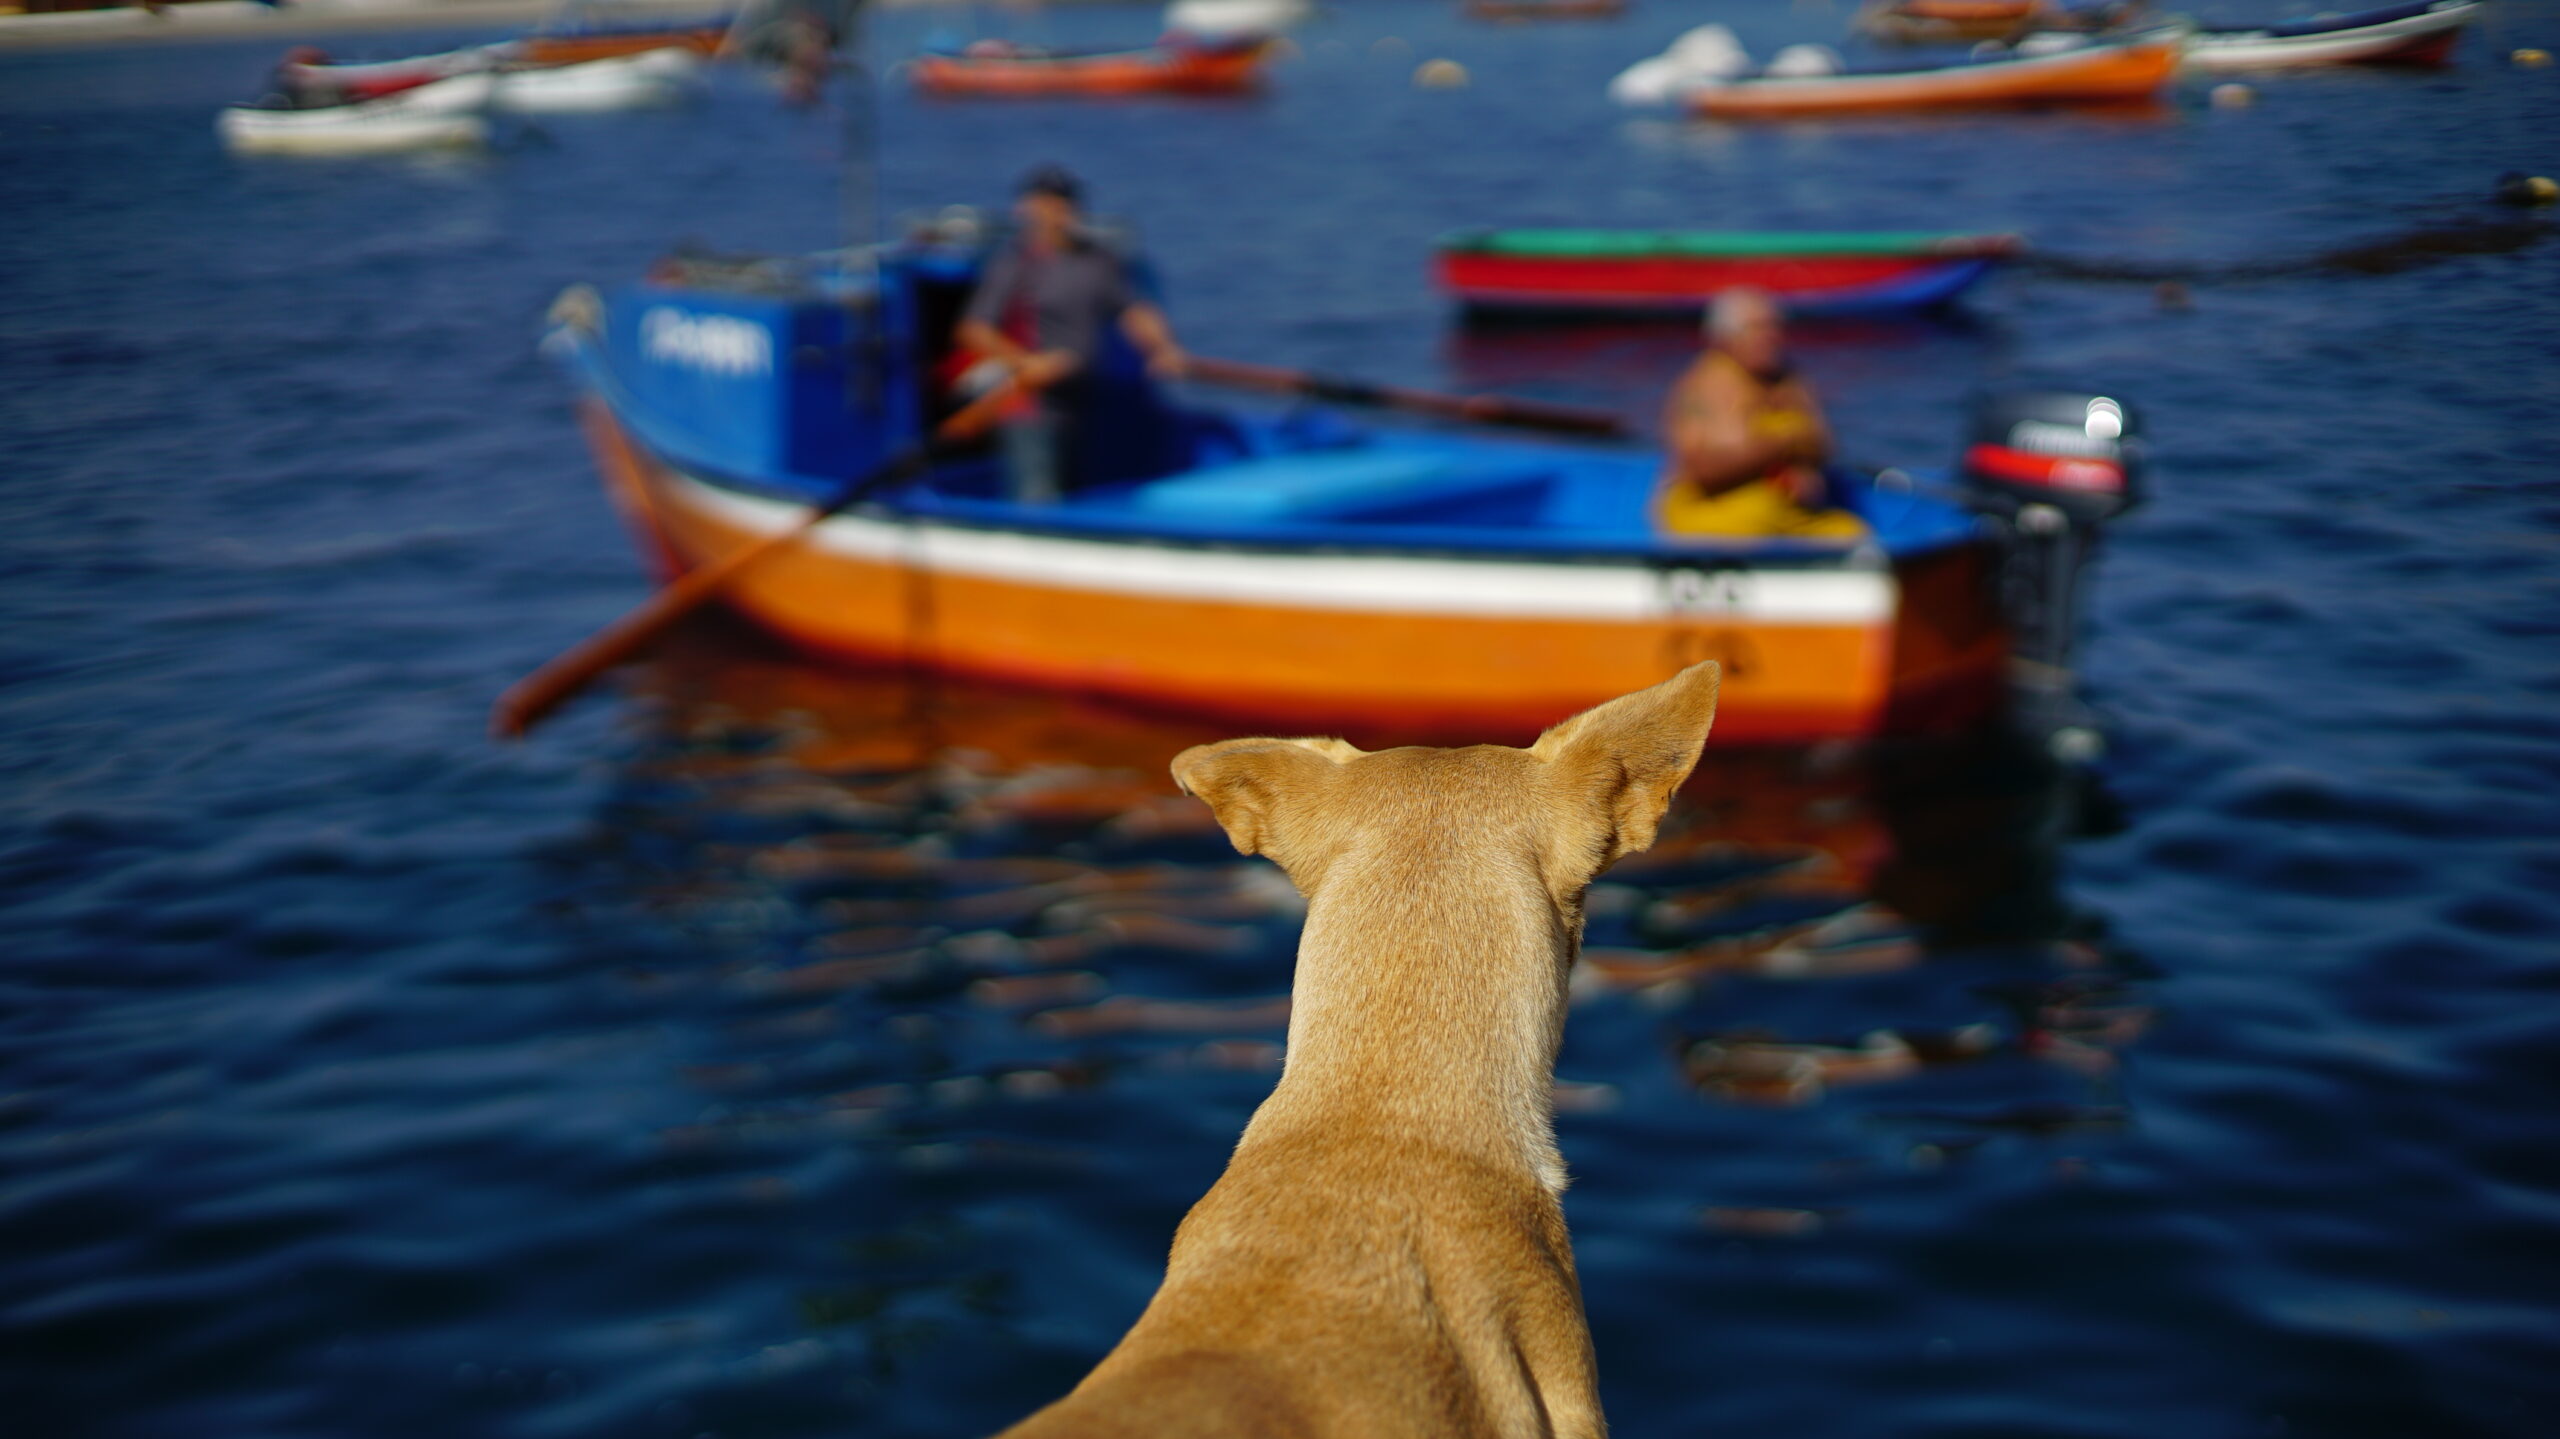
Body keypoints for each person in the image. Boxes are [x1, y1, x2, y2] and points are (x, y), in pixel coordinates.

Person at [954, 165, 1189, 502]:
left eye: (1063, 204)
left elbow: (1133, 309)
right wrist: (1027, 362)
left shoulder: (1097, 261)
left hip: (1084, 400)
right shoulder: (1015, 264)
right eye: (1046, 204)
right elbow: (975, 330)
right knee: (1038, 492)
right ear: (1027, 209)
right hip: (1029, 403)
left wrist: (1163, 348)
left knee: (1080, 487)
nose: (1056, 214)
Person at [1653, 287, 1867, 540]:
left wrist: (1807, 473)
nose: (1770, 337)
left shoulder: (1788, 378)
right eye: (1757, 328)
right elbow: (1704, 470)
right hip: (1722, 511)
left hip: (1789, 514)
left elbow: (1821, 442)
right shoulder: (1709, 384)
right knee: (1746, 532)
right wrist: (1783, 444)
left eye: (1774, 327)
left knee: (1854, 534)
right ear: (1725, 336)